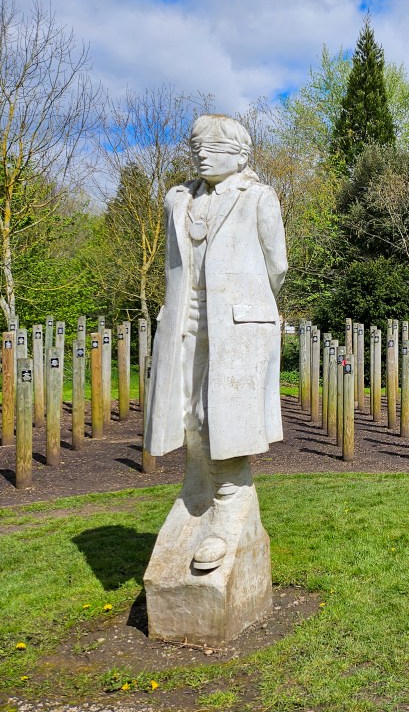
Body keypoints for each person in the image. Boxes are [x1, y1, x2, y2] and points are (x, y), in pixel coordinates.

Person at [144, 114, 287, 571]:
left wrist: (243, 304)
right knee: (186, 409)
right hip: (187, 320)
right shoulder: (180, 201)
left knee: (221, 415)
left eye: (213, 146)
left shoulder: (259, 198)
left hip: (238, 323)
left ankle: (228, 507)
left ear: (240, 155)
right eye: (197, 146)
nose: (201, 153)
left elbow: (276, 265)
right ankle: (197, 490)